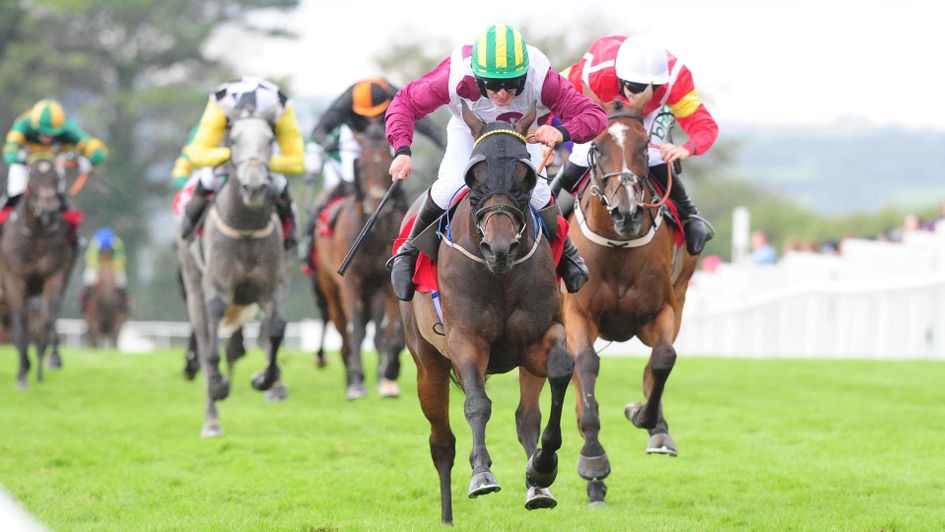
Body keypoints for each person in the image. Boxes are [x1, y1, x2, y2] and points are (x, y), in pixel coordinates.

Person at [385, 23, 608, 301]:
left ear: (525, 74)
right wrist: (402, 149)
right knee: (449, 186)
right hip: (470, 132)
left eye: (512, 83)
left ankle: (568, 255)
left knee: (538, 193)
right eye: (492, 84)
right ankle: (408, 252)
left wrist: (562, 132)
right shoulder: (454, 76)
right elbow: (404, 103)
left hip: (523, 134)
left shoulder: (543, 79)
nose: (502, 94)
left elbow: (596, 116)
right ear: (477, 76)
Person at [550, 34, 718, 255]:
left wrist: (685, 149)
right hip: (600, 106)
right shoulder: (593, 73)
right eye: (635, 86)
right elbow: (550, 93)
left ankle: (690, 216)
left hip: (646, 114)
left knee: (657, 156)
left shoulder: (676, 80)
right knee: (581, 155)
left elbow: (705, 126)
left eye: (651, 88)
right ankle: (548, 216)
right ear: (619, 77)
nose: (640, 94)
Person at [301, 78, 447, 271]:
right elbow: (320, 129)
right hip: (355, 142)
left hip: (387, 140)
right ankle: (308, 248)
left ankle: (415, 242)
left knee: (396, 183)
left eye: (378, 113)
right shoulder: (346, 100)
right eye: (366, 115)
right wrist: (324, 141)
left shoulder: (396, 95)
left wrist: (445, 143)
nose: (373, 119)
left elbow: (426, 126)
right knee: (338, 188)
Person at [179, 76, 305, 249]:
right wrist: (234, 158)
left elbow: (297, 161)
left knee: (280, 186)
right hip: (230, 162)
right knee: (207, 180)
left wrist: (261, 162)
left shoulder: (280, 105)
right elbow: (197, 153)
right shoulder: (222, 102)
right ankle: (188, 230)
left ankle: (289, 237)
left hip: (263, 163)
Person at [2, 98, 107, 212]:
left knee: (60, 202)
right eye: (42, 132)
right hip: (25, 165)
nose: (46, 136)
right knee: (15, 193)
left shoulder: (69, 129)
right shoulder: (23, 123)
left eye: (51, 133)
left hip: (54, 165)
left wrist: (89, 161)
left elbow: (98, 150)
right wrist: (17, 159)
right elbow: (9, 151)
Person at [79, 227, 129, 312]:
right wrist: (100, 269)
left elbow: (120, 258)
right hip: (97, 266)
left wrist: (111, 269)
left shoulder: (117, 244)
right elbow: (91, 259)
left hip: (113, 267)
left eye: (107, 249)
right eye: (103, 249)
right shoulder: (94, 243)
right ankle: (83, 301)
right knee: (88, 280)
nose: (105, 250)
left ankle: (126, 303)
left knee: (122, 282)